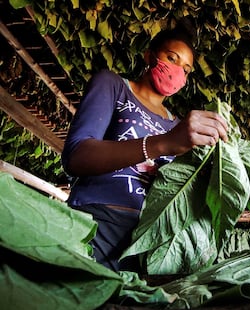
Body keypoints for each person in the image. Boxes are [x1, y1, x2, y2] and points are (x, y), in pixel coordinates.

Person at [61, 19, 228, 272]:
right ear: (149, 55)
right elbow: (76, 156)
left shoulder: (179, 127)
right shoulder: (114, 85)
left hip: (147, 243)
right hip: (95, 223)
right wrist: (162, 143)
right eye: (172, 58)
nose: (178, 72)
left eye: (186, 68)